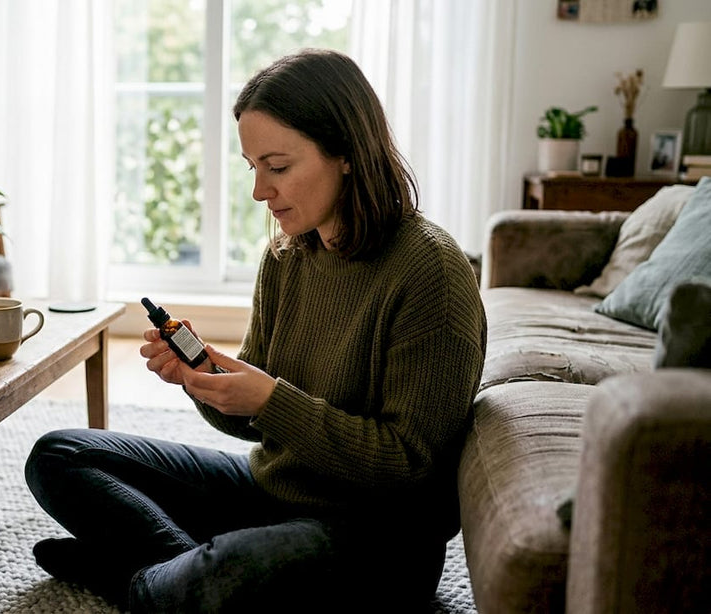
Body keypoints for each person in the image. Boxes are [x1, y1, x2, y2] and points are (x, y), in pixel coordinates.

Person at [25, 48, 487, 612]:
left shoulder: (431, 272)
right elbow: (251, 423)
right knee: (60, 455)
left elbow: (413, 466)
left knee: (225, 576)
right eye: (253, 167)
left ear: (346, 152)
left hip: (378, 540)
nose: (259, 191)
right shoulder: (286, 257)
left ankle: (138, 576)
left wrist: (272, 399)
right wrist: (203, 380)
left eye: (279, 166)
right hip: (273, 491)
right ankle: (173, 572)